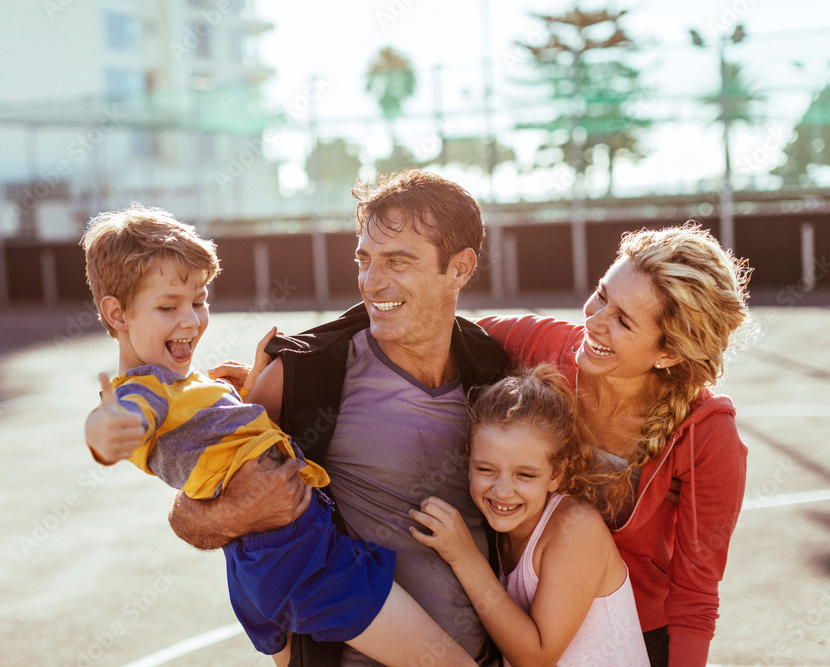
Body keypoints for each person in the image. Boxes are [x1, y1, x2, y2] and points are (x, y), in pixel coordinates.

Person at [80, 204, 476, 667]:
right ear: (117, 313)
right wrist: (104, 431)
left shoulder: (186, 385)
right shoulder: (146, 392)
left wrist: (242, 398)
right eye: (168, 307)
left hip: (271, 555)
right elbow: (124, 417)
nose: (190, 321)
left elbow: (216, 434)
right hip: (293, 552)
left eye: (200, 300)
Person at [160, 170, 511, 665]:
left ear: (460, 267)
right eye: (364, 259)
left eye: (398, 260)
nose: (373, 280)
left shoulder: (492, 371)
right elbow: (191, 515)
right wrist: (235, 513)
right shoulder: (304, 375)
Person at [477, 222, 752, 667]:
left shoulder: (707, 434)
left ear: (670, 353)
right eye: (603, 294)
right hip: (523, 615)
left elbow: (695, 596)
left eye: (623, 320)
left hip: (637, 638)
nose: (594, 321)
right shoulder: (546, 347)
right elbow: (442, 331)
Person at [410, 365, 650, 666]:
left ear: (556, 474)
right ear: (468, 459)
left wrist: (464, 557)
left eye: (525, 475)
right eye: (486, 469)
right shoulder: (495, 527)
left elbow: (537, 657)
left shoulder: (576, 528)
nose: (502, 491)